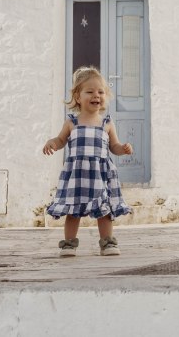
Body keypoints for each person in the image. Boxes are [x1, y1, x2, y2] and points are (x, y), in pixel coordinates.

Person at [43, 66, 134, 256]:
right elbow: (61, 141)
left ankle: (107, 242)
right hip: (77, 174)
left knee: (104, 209)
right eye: (90, 91)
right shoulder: (71, 122)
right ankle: (69, 243)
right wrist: (53, 142)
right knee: (73, 210)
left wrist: (123, 149)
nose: (96, 95)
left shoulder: (106, 123)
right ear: (77, 96)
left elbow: (114, 147)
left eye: (101, 92)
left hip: (100, 174)